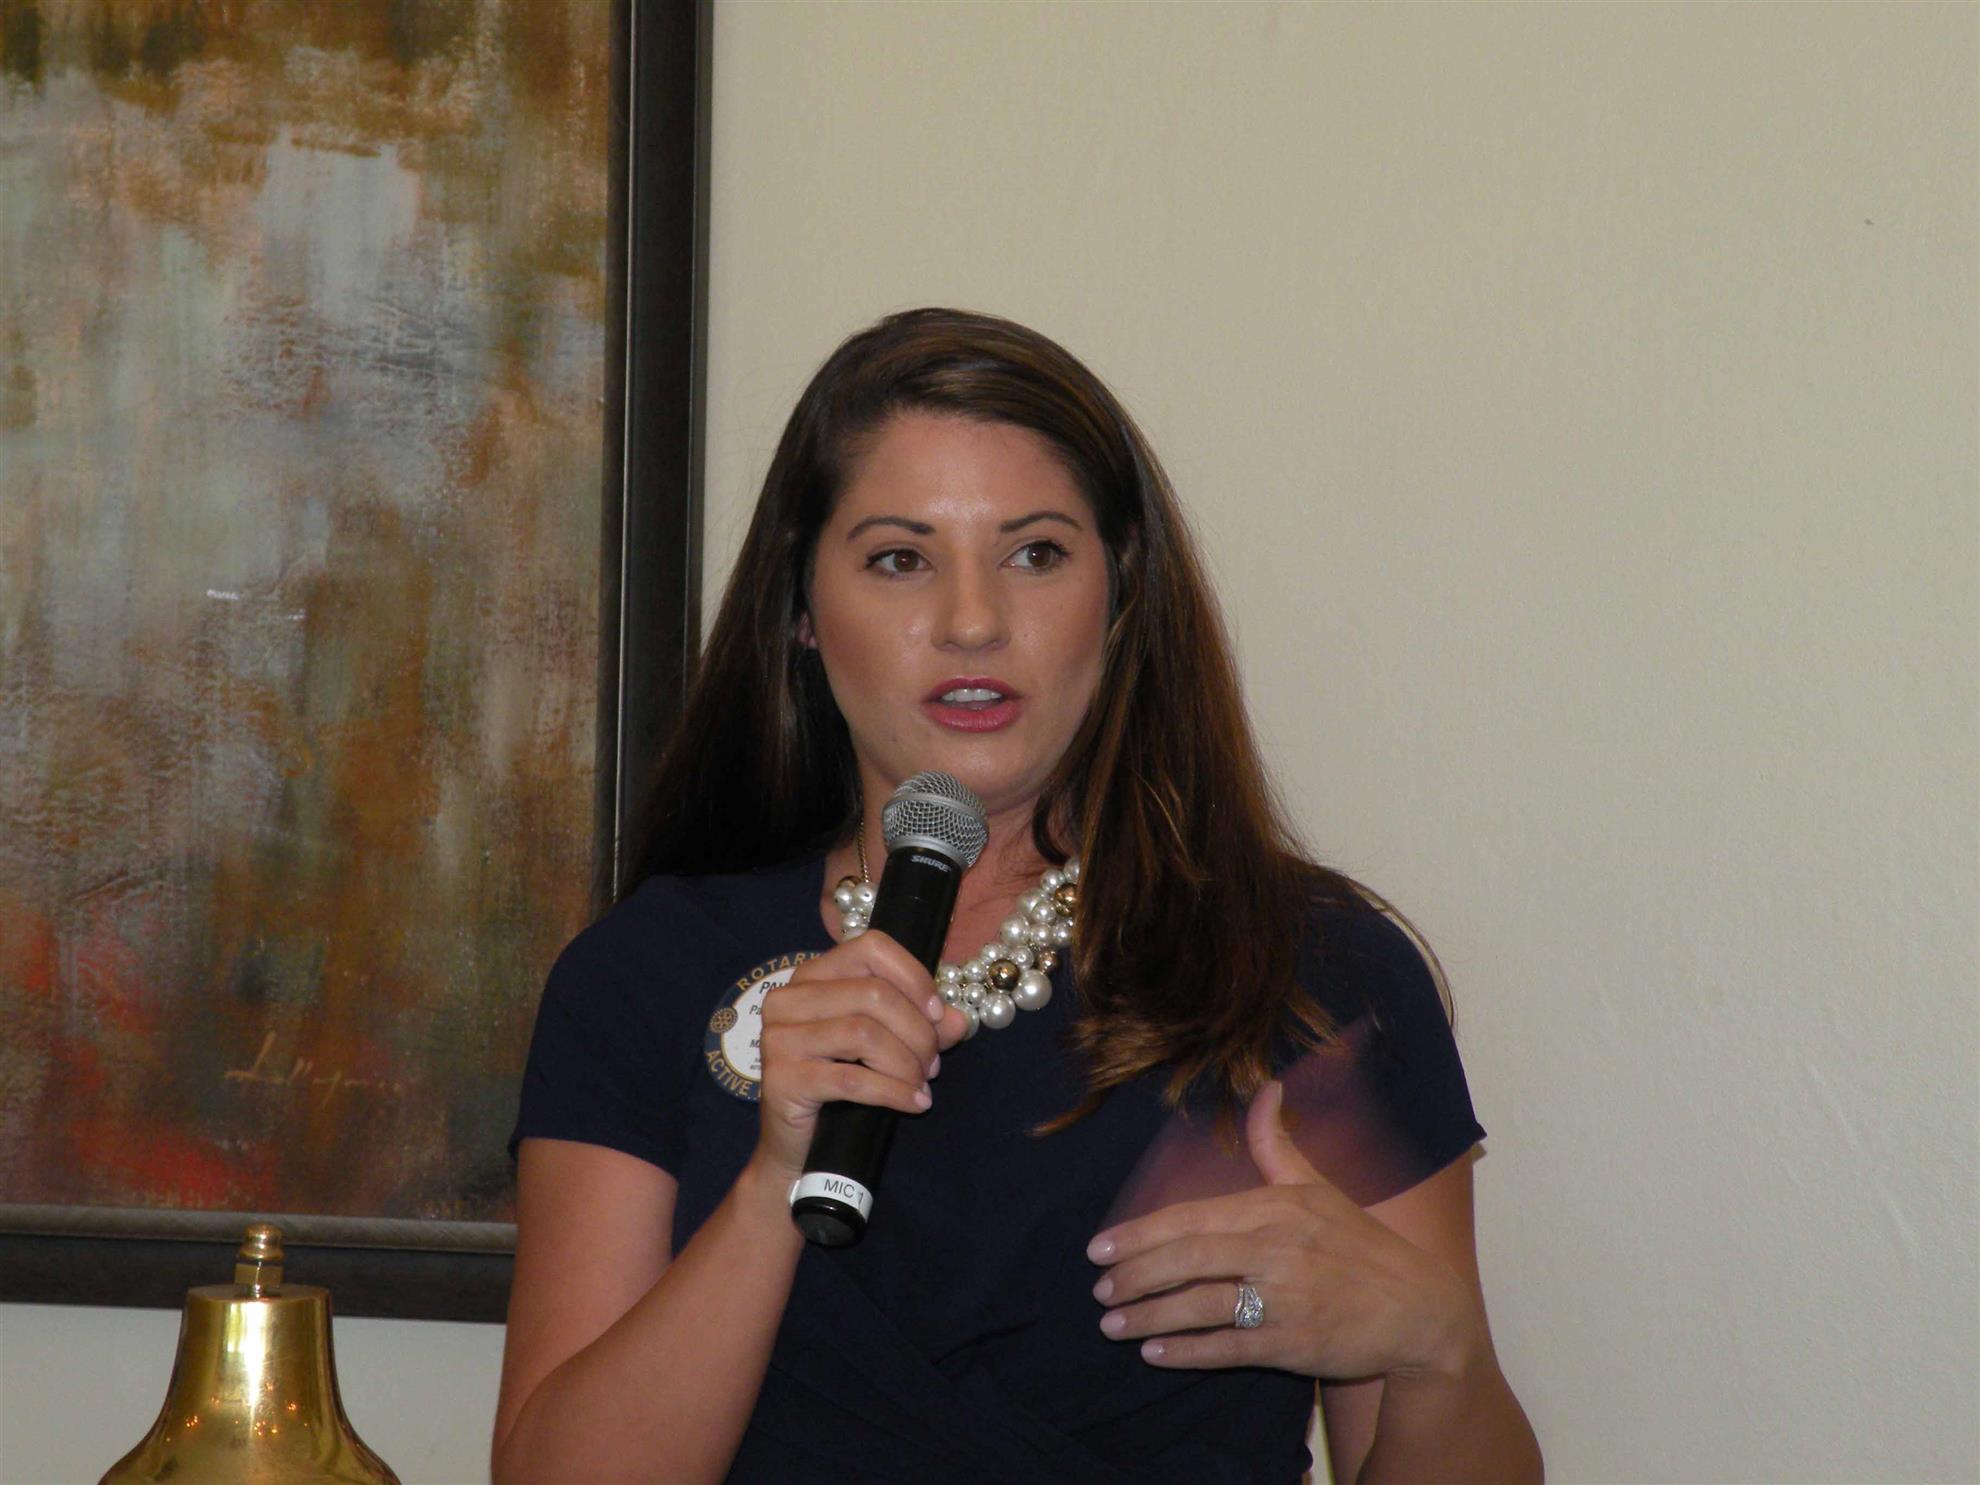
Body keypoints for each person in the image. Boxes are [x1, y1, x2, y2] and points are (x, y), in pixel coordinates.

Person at [492, 308, 1542, 1484]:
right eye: (901, 559)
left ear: (1122, 591)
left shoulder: (1310, 971)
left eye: (1035, 554)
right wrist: (773, 1179)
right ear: (802, 611)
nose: (973, 623)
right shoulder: (648, 972)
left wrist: (1436, 1351)